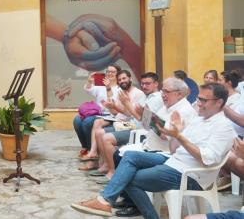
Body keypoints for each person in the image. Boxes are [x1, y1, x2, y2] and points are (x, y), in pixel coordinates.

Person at [71, 83, 236, 218]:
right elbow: (173, 149)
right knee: (129, 157)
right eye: (199, 98)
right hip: (174, 160)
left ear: (219, 102)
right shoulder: (199, 119)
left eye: (203, 100)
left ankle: (109, 202)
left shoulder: (224, 127)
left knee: (128, 178)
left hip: (191, 174)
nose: (198, 103)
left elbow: (207, 159)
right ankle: (105, 201)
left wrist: (179, 135)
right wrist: (175, 136)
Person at [91, 72, 163, 180]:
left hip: (140, 130)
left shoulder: (156, 98)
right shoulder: (145, 96)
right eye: (142, 84)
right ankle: (107, 165)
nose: (144, 86)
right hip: (131, 125)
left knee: (105, 137)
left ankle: (113, 171)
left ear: (156, 84)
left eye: (147, 84)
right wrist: (119, 105)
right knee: (99, 130)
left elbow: (144, 121)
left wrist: (126, 103)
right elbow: (132, 114)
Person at [73, 65, 120, 157]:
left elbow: (113, 102)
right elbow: (89, 90)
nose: (109, 73)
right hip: (98, 113)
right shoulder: (101, 86)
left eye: (113, 72)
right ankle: (85, 147)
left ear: (117, 74)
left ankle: (92, 150)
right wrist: (89, 82)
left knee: (88, 122)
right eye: (108, 71)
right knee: (77, 120)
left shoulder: (119, 88)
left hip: (110, 115)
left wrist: (108, 87)